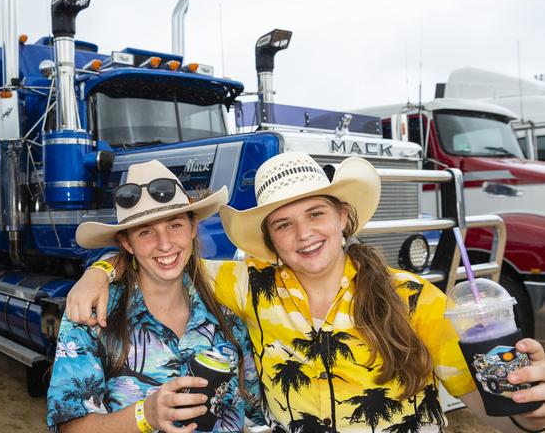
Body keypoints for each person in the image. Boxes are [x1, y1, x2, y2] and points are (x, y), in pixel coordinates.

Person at [67, 152, 545, 432]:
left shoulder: (416, 299)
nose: (303, 234)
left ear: (342, 218)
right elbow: (166, 257)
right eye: (284, 224)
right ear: (270, 241)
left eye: (316, 214)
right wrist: (103, 269)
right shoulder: (248, 286)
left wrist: (533, 406)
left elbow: (490, 403)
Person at [47, 160, 265, 433]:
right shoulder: (93, 315)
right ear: (127, 243)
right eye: (146, 231)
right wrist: (145, 415)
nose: (164, 244)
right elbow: (70, 427)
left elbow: (253, 411)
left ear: (192, 226)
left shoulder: (227, 309)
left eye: (174, 225)